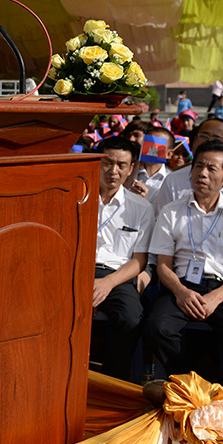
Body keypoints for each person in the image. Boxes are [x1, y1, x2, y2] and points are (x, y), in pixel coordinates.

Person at [144, 141, 223, 400]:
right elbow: (163, 264)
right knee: (156, 327)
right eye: (198, 166)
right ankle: (189, 389)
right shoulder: (171, 212)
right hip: (182, 285)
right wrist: (181, 292)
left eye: (211, 169)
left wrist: (216, 297)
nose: (202, 174)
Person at [90, 136, 154, 381]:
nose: (113, 171)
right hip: (75, 271)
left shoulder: (140, 208)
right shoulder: (76, 195)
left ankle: (111, 382)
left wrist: (108, 283)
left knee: (130, 318)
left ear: (132, 168)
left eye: (121, 165)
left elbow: (139, 260)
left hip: (117, 275)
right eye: (107, 163)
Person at [153, 118, 223, 211]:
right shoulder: (173, 180)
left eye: (217, 139)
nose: (209, 141)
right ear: (194, 141)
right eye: (204, 136)